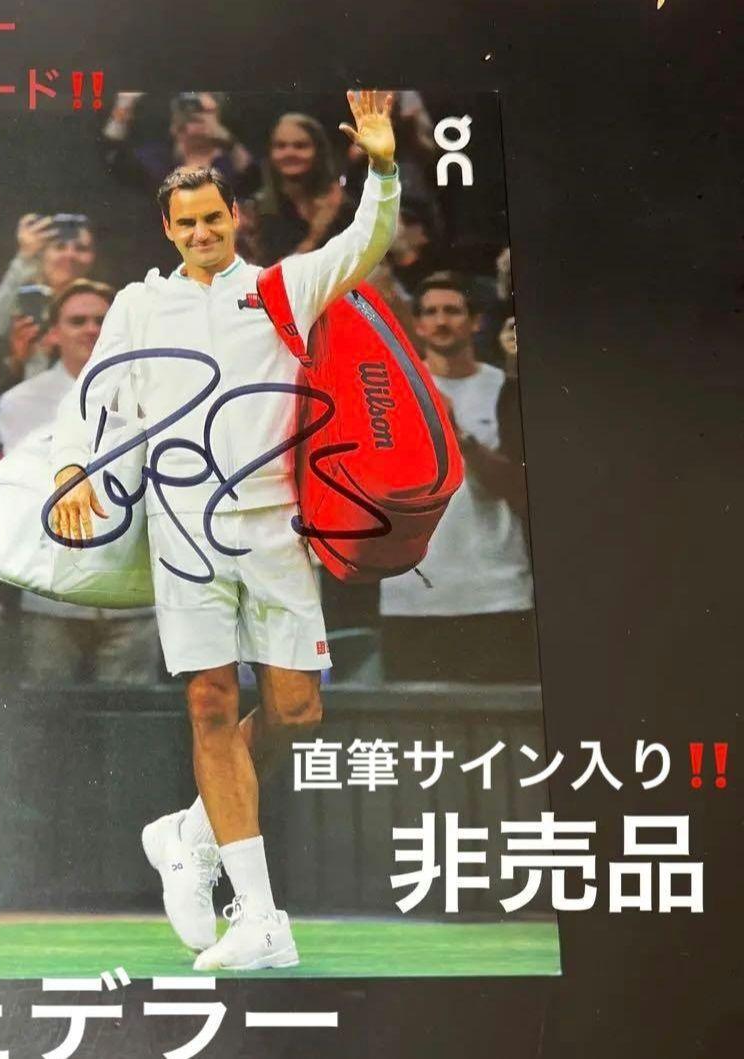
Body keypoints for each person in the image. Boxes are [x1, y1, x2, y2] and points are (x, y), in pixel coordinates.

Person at [50, 91, 400, 971]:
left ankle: (191, 832)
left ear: (235, 215)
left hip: (277, 529)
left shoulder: (283, 285)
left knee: (296, 709)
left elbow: (366, 244)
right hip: (183, 531)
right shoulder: (138, 306)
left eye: (213, 217)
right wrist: (70, 467)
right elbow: (92, 392)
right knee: (208, 700)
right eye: (187, 223)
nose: (202, 232)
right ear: (168, 230)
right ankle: (262, 915)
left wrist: (385, 169)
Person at [0, 280, 162, 687]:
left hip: (131, 592)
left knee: (128, 712)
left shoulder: (156, 395)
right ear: (53, 333)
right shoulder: (20, 402)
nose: (91, 329)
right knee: (49, 711)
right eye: (77, 321)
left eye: (101, 320)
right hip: (53, 593)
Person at [378, 272, 536, 682]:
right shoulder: (390, 392)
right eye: (430, 312)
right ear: (418, 325)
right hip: (412, 597)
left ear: (476, 322)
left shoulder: (505, 389)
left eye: (452, 311)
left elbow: (519, 489)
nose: (441, 321)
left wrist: (459, 436)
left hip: (497, 593)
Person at [0, 214, 99, 381]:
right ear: (43, 255)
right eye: (60, 247)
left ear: (93, 257)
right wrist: (24, 257)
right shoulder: (28, 301)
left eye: (81, 248)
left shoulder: (106, 304)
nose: (70, 255)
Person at [241, 112, 355, 267]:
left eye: (300, 146)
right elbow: (270, 274)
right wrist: (316, 234)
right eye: (281, 146)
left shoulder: (343, 204)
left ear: (318, 151)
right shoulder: (257, 211)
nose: (289, 153)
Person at [103, 91, 259, 199]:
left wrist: (228, 140)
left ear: (217, 114)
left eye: (202, 110)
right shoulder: (156, 159)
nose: (193, 113)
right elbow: (113, 157)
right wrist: (124, 105)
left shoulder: (232, 162)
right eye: (186, 109)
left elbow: (254, 182)